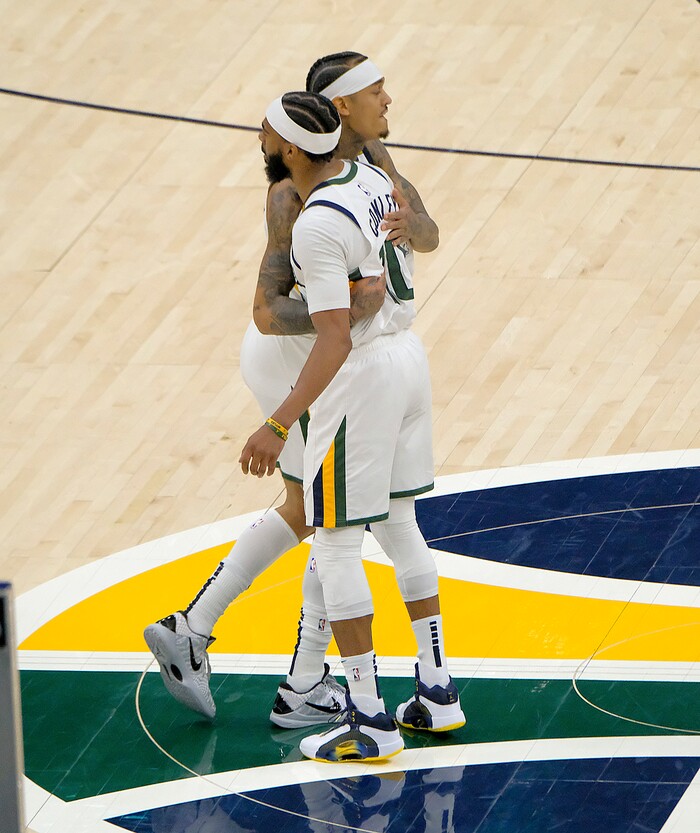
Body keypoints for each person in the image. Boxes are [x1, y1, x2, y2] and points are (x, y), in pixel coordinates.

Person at [144, 58, 462, 749]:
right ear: (338, 112)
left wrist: (384, 265)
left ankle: (257, 660)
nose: (387, 98)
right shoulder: (297, 199)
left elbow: (427, 233)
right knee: (322, 513)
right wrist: (345, 309)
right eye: (373, 90)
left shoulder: (373, 163)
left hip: (357, 353)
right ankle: (297, 676)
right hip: (308, 353)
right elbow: (266, 312)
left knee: (327, 517)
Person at [236, 90, 464, 762]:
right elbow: (409, 235)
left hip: (362, 374)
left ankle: (367, 713)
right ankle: (436, 687)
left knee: (335, 543)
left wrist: (277, 423)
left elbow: (335, 338)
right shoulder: (366, 174)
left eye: (264, 129)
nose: (258, 135)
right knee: (399, 525)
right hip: (408, 359)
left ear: (285, 145)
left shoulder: (312, 225)